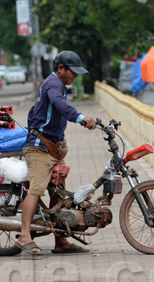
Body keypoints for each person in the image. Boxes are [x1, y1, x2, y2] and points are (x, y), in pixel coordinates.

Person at [15, 50, 96, 255]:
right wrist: (81, 118)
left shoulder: (58, 85)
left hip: (52, 148)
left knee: (58, 193)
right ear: (60, 69)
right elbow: (62, 106)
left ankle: (60, 241)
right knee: (37, 188)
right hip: (39, 148)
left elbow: (53, 114)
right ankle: (25, 235)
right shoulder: (53, 84)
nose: (75, 76)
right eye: (72, 72)